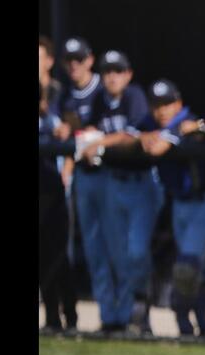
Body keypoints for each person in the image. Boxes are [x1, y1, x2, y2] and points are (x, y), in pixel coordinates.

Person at [78, 50, 164, 336]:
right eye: (107, 72)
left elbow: (133, 135)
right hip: (113, 182)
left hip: (140, 183)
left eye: (118, 71)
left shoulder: (134, 96)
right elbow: (90, 129)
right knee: (117, 254)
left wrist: (100, 141)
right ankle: (120, 317)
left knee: (135, 252)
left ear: (128, 74)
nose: (112, 77)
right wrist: (86, 137)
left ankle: (138, 314)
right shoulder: (101, 100)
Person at [137, 79, 205, 341]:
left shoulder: (189, 121)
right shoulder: (154, 123)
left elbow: (159, 147)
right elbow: (136, 134)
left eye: (167, 104)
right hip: (179, 204)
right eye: (156, 105)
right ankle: (202, 327)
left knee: (188, 267)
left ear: (177, 103)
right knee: (193, 269)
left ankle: (192, 322)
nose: (161, 110)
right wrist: (143, 135)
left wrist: (171, 134)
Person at [59, 36, 110, 333]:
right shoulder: (67, 96)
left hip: (110, 176)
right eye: (69, 60)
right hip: (85, 178)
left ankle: (127, 314)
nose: (74, 65)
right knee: (94, 249)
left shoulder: (104, 91)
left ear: (90, 60)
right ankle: (108, 316)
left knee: (120, 250)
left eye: (79, 59)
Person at [39, 64, 79, 335]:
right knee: (44, 255)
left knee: (56, 254)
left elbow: (74, 127)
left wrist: (67, 170)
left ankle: (70, 314)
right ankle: (53, 316)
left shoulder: (52, 117)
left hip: (51, 189)